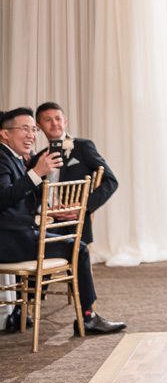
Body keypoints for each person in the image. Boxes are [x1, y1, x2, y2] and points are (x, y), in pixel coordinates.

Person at [0, 108, 126, 335]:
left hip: (36, 228)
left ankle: (23, 312)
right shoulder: (10, 158)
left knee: (70, 245)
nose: (31, 134)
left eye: (33, 130)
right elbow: (4, 198)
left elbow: (110, 180)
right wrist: (36, 173)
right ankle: (87, 317)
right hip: (12, 239)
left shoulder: (18, 157)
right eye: (25, 129)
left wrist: (79, 207)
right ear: (5, 133)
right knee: (77, 249)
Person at [33, 102, 118, 245]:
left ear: (65, 122)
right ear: (39, 126)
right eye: (47, 120)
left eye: (58, 118)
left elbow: (111, 181)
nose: (54, 123)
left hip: (73, 221)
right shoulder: (38, 159)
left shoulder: (82, 147)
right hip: (42, 221)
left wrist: (83, 206)